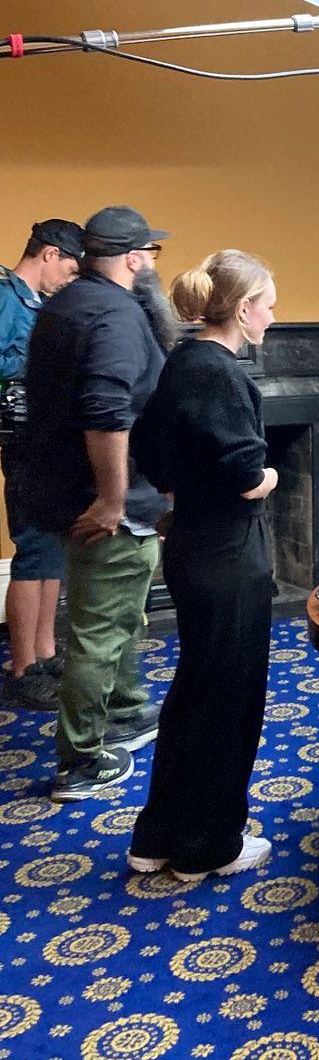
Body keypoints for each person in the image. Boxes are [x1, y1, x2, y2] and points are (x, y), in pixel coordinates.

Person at [127, 250, 277, 881]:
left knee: (194, 692)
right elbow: (246, 473)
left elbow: (147, 448)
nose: (274, 315)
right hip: (228, 555)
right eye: (269, 303)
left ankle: (159, 837)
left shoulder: (182, 362)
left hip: (191, 544)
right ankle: (210, 846)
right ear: (243, 310)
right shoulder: (220, 372)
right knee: (228, 697)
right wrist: (268, 476)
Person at [23, 206, 171, 801]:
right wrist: (115, 499)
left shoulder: (65, 302)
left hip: (60, 489)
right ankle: (80, 760)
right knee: (99, 629)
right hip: (105, 504)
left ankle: (129, 708)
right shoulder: (116, 315)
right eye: (150, 252)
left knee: (111, 613)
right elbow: (107, 412)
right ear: (133, 258)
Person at [0, 220, 82, 709]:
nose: (69, 280)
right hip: (24, 441)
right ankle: (22, 666)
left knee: (52, 546)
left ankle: (47, 652)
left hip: (48, 439)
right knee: (32, 548)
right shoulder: (6, 297)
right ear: (49, 254)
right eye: (69, 269)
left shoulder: (42, 305)